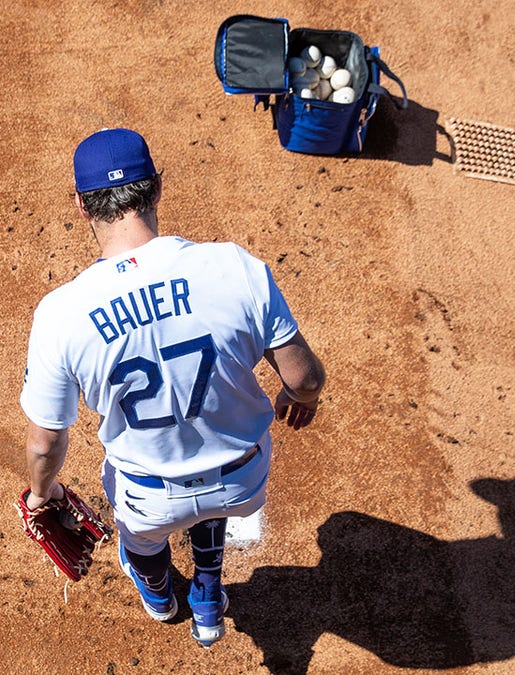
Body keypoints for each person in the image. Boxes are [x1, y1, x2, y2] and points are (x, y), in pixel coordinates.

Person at [19, 128, 325, 646]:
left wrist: (41, 496)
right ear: (157, 189)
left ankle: (161, 595)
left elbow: (45, 442)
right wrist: (301, 398)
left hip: (150, 496)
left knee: (142, 541)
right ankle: (208, 592)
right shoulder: (233, 266)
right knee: (213, 498)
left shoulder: (61, 314)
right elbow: (306, 377)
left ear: (80, 206)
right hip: (242, 481)